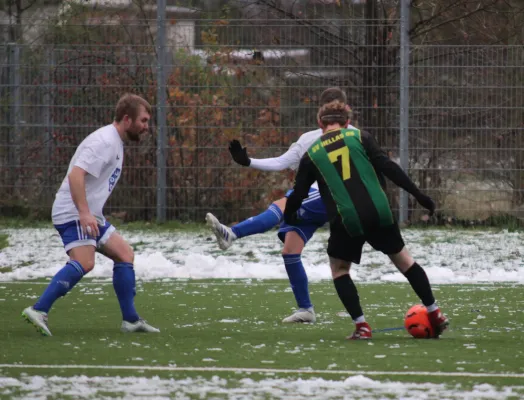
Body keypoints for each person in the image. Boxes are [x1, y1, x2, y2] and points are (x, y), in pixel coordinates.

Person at [283, 99, 449, 340]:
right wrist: (419, 195)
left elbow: (298, 195)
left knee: (340, 269)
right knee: (404, 261)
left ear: (320, 123)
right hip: (379, 210)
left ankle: (361, 326)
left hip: (346, 219)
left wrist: (289, 218)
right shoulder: (361, 137)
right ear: (347, 122)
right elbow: (389, 168)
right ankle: (434, 312)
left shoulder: (312, 155)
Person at [206, 87, 351, 324]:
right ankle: (306, 309)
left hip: (332, 198)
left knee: (283, 204)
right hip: (314, 198)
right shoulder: (309, 139)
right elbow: (282, 161)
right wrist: (249, 161)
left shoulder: (354, 136)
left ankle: (232, 233)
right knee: (290, 251)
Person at [22, 93, 160, 336]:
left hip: (89, 213)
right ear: (127, 119)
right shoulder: (105, 142)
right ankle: (38, 309)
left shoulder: (115, 141)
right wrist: (84, 213)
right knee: (85, 261)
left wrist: (90, 213)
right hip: (73, 212)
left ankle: (130, 320)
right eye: (144, 121)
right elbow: (76, 175)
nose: (146, 127)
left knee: (124, 254)